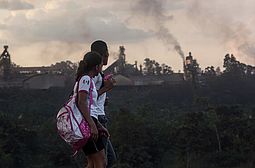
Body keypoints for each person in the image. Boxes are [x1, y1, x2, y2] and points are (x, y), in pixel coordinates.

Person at [74, 51, 109, 168]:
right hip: (88, 124)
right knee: (100, 162)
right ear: (96, 66)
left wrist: (98, 125)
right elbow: (82, 103)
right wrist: (92, 125)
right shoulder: (85, 79)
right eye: (101, 65)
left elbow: (90, 105)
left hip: (90, 122)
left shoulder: (86, 79)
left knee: (93, 162)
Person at [91, 40, 117, 168]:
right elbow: (87, 98)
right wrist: (106, 88)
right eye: (106, 54)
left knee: (96, 162)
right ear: (104, 54)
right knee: (105, 161)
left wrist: (103, 99)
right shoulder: (94, 75)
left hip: (97, 117)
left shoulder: (98, 74)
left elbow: (93, 96)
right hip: (97, 118)